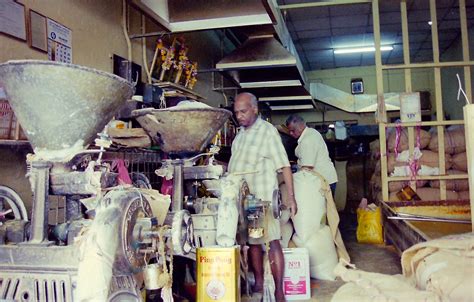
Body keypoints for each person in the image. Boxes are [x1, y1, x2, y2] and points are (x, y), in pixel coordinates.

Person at [228, 92, 297, 301]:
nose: (239, 116)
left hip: (262, 198)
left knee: (273, 241)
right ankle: (258, 282)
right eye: (236, 112)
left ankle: (279, 291)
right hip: (245, 201)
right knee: (254, 242)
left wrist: (291, 198)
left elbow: (284, 165)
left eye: (243, 111)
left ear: (255, 109)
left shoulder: (267, 132)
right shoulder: (239, 136)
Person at [286, 114, 338, 195]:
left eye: (293, 130)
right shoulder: (310, 133)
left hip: (323, 182)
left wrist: (292, 179)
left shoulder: (307, 140)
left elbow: (307, 168)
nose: (291, 133)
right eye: (289, 131)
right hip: (325, 179)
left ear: (300, 126)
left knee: (323, 207)